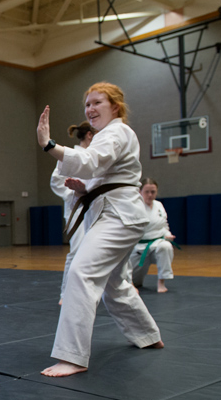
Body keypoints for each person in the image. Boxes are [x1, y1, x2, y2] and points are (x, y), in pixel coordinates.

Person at [36, 82, 163, 378]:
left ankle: (73, 356)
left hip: (119, 217)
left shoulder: (116, 132)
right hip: (114, 214)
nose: (90, 109)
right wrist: (84, 188)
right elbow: (101, 173)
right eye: (87, 104)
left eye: (97, 103)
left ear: (115, 107)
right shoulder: (108, 136)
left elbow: (92, 162)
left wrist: (49, 145)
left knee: (81, 272)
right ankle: (147, 335)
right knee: (114, 284)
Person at [49, 122, 94, 304]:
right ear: (89, 135)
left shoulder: (94, 156)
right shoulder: (70, 155)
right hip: (78, 210)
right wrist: (74, 191)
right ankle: (65, 293)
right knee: (76, 251)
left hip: (97, 209)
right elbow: (55, 181)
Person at [128, 178, 176, 293]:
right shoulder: (134, 207)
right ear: (140, 192)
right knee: (136, 281)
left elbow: (163, 225)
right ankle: (132, 284)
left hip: (156, 244)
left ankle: (161, 282)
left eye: (153, 192)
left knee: (165, 246)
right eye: (147, 192)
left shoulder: (159, 205)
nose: (150, 195)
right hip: (138, 247)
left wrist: (167, 234)